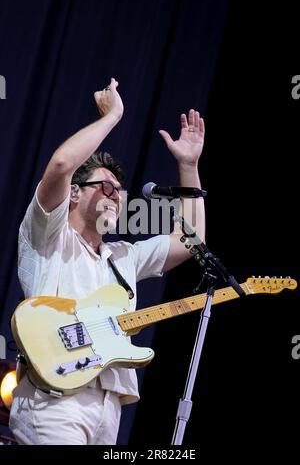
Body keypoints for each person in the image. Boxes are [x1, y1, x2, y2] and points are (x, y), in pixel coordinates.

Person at [9, 78, 206, 445]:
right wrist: (114, 115)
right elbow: (63, 163)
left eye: (120, 190)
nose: (116, 196)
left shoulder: (124, 256)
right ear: (73, 195)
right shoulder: (49, 234)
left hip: (109, 404)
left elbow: (192, 242)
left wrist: (189, 167)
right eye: (105, 187)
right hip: (55, 400)